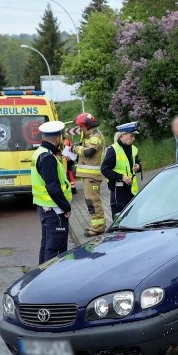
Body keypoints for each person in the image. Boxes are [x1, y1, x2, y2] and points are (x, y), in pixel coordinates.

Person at [31, 121, 72, 264]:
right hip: (54, 209)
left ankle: (40, 277)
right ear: (58, 138)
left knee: (47, 246)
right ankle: (50, 281)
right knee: (55, 249)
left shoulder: (40, 153)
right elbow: (53, 187)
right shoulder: (48, 157)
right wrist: (66, 206)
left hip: (46, 208)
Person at [72, 113, 107, 237]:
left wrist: (75, 149)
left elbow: (89, 152)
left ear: (86, 126)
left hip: (92, 177)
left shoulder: (96, 136)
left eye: (81, 127)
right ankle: (99, 225)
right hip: (88, 176)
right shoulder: (88, 135)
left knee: (93, 202)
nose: (80, 129)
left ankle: (98, 228)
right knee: (91, 201)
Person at [101, 122, 141, 217]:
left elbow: (138, 162)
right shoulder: (113, 150)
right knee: (120, 224)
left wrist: (138, 166)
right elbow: (105, 169)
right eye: (131, 136)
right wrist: (121, 177)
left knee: (134, 221)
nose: (133, 138)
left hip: (132, 193)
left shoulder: (134, 149)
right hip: (118, 194)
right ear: (123, 135)